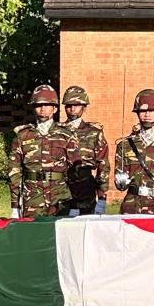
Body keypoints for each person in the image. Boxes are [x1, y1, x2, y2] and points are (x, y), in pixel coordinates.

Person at [7, 84, 81, 218]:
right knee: (33, 231)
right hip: (32, 197)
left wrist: (76, 204)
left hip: (60, 197)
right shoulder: (22, 135)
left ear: (55, 108)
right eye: (38, 105)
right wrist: (15, 205)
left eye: (47, 105)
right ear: (33, 108)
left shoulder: (66, 135)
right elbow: (15, 172)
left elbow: (76, 171)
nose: (42, 109)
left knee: (60, 231)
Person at [61, 85, 109, 216]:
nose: (72, 108)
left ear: (84, 107)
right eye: (69, 105)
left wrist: (102, 197)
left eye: (77, 105)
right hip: (61, 187)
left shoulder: (94, 132)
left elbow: (103, 165)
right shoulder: (56, 132)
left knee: (86, 224)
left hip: (85, 186)